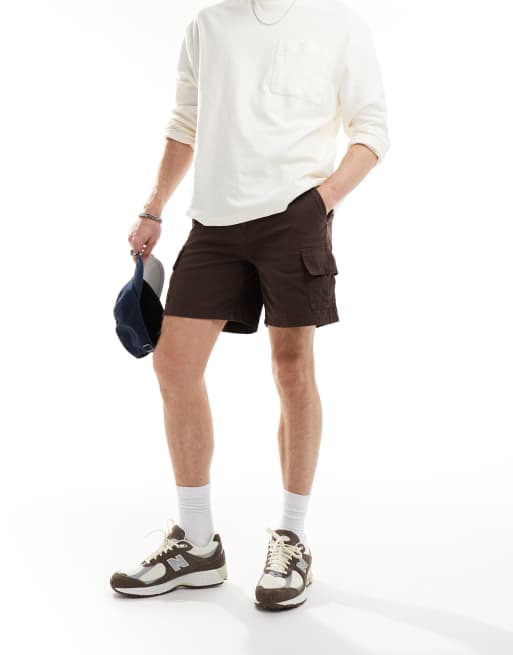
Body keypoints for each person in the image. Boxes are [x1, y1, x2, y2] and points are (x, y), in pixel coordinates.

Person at [110, 0, 389, 611]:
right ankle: (198, 544)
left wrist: (321, 201)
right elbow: (185, 122)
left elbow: (372, 131)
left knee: (292, 370)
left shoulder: (340, 24)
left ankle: (292, 538)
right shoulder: (207, 25)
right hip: (213, 222)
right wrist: (154, 207)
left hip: (295, 219)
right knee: (174, 364)